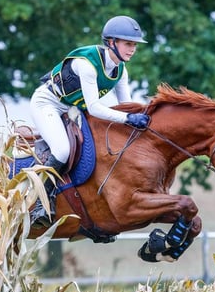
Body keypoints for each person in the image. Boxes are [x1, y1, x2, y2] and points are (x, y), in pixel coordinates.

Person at [29, 15, 151, 227]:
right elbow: (95, 107)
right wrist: (129, 118)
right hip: (47, 103)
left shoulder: (121, 70)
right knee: (62, 150)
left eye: (135, 45)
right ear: (111, 42)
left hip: (71, 107)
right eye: (128, 44)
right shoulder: (87, 65)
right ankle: (40, 202)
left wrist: (143, 117)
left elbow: (126, 106)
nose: (132, 49)